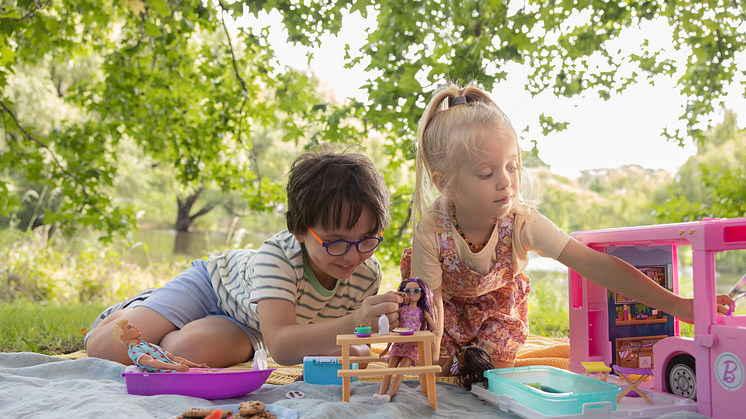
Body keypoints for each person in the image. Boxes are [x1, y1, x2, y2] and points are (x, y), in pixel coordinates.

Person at [400, 82, 734, 375]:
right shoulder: (432, 229)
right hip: (446, 309)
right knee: (432, 367)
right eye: (486, 174)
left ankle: (468, 359)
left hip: (495, 309)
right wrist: (423, 354)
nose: (506, 182)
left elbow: (593, 264)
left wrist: (679, 305)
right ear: (446, 184)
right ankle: (455, 358)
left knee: (493, 373)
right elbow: (431, 303)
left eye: (512, 166)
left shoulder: (521, 222)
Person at [86, 144, 402, 368]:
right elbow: (284, 347)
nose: (352, 254)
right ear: (300, 230)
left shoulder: (366, 272)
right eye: (336, 242)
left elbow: (323, 340)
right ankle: (145, 306)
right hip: (212, 285)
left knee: (184, 350)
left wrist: (367, 335)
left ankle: (175, 325)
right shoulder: (278, 259)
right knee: (105, 348)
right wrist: (357, 323)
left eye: (366, 240)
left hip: (255, 324)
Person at [375, 277, 438, 405]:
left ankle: (388, 396)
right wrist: (387, 348)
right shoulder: (401, 311)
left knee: (400, 372)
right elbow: (393, 330)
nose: (412, 294)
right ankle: (379, 395)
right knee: (389, 370)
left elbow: (436, 330)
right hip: (398, 344)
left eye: (415, 291)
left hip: (413, 347)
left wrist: (426, 339)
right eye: (408, 291)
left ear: (421, 294)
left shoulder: (423, 313)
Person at [113, 318, 207, 373]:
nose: (135, 327)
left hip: (178, 370)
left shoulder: (147, 345)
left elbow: (173, 358)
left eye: (133, 325)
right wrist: (174, 367)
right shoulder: (134, 351)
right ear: (123, 336)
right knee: (209, 373)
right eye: (130, 327)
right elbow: (151, 362)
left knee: (209, 372)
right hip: (170, 375)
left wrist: (197, 365)